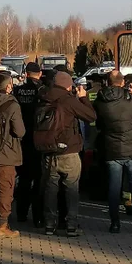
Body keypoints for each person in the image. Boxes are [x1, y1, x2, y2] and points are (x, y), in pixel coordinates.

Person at [36, 71, 97, 237]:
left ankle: (49, 224)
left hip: (47, 151)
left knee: (50, 188)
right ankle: (70, 225)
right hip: (68, 150)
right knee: (71, 188)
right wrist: (83, 97)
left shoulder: (43, 97)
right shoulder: (68, 100)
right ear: (69, 85)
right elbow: (91, 116)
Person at [94, 71, 132, 235]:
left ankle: (115, 224)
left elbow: (98, 124)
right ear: (123, 81)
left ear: (107, 82)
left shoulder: (100, 101)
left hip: (111, 150)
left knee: (114, 188)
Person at [0, 73, 25, 238]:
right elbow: (19, 131)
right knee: (5, 190)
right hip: (7, 152)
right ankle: (2, 226)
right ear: (9, 86)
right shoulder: (12, 104)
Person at [14, 61, 44, 226]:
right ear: (39, 74)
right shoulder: (41, 91)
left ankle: (21, 213)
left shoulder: (17, 91)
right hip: (38, 138)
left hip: (21, 139)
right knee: (39, 179)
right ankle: (38, 216)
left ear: (25, 74)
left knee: (24, 179)